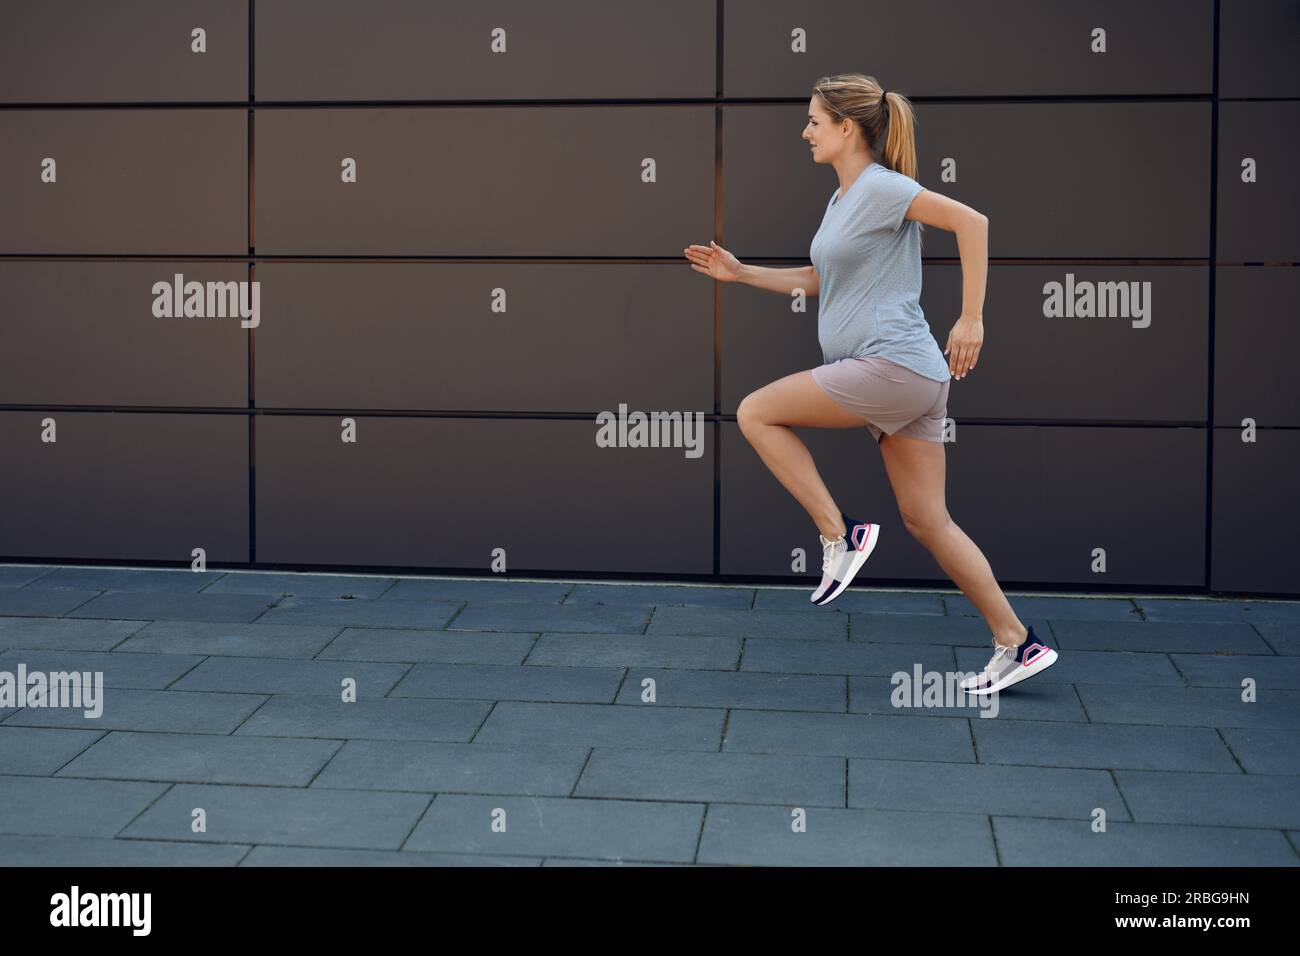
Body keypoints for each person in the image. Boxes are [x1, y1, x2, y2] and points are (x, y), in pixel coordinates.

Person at [683, 73, 1056, 695]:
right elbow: (820, 280)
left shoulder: (884, 187)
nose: (804, 133)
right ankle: (1018, 641)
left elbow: (974, 223)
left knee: (755, 412)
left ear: (846, 127)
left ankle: (841, 534)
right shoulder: (842, 201)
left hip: (894, 366)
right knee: (928, 521)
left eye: (813, 122)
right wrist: (742, 273)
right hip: (909, 380)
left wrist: (971, 316)